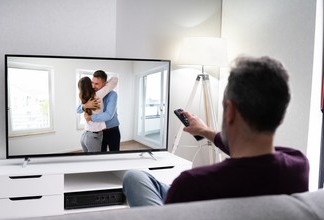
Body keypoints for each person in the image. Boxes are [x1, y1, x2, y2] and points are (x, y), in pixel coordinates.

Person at [122, 55, 309, 207]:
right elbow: (251, 156)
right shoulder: (298, 166)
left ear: (231, 111)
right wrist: (204, 131)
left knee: (133, 177)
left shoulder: (192, 184)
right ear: (281, 116)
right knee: (135, 175)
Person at [79, 70, 121, 151]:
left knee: (114, 155)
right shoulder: (91, 93)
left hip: (112, 130)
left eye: (97, 84)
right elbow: (78, 109)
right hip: (99, 132)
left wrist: (91, 118)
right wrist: (85, 106)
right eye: (92, 82)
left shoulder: (112, 95)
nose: (93, 86)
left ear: (105, 84)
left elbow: (109, 115)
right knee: (101, 156)